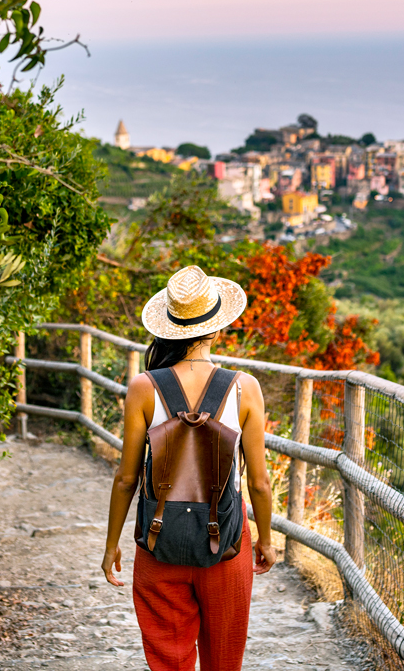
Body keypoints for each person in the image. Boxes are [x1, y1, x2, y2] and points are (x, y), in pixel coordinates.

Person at [102, 265, 276, 671]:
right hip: (227, 546)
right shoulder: (244, 387)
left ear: (169, 328)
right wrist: (265, 540)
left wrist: (112, 544)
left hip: (159, 542)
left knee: (169, 659)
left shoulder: (144, 387)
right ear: (216, 329)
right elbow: (260, 483)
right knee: (223, 661)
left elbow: (127, 477)